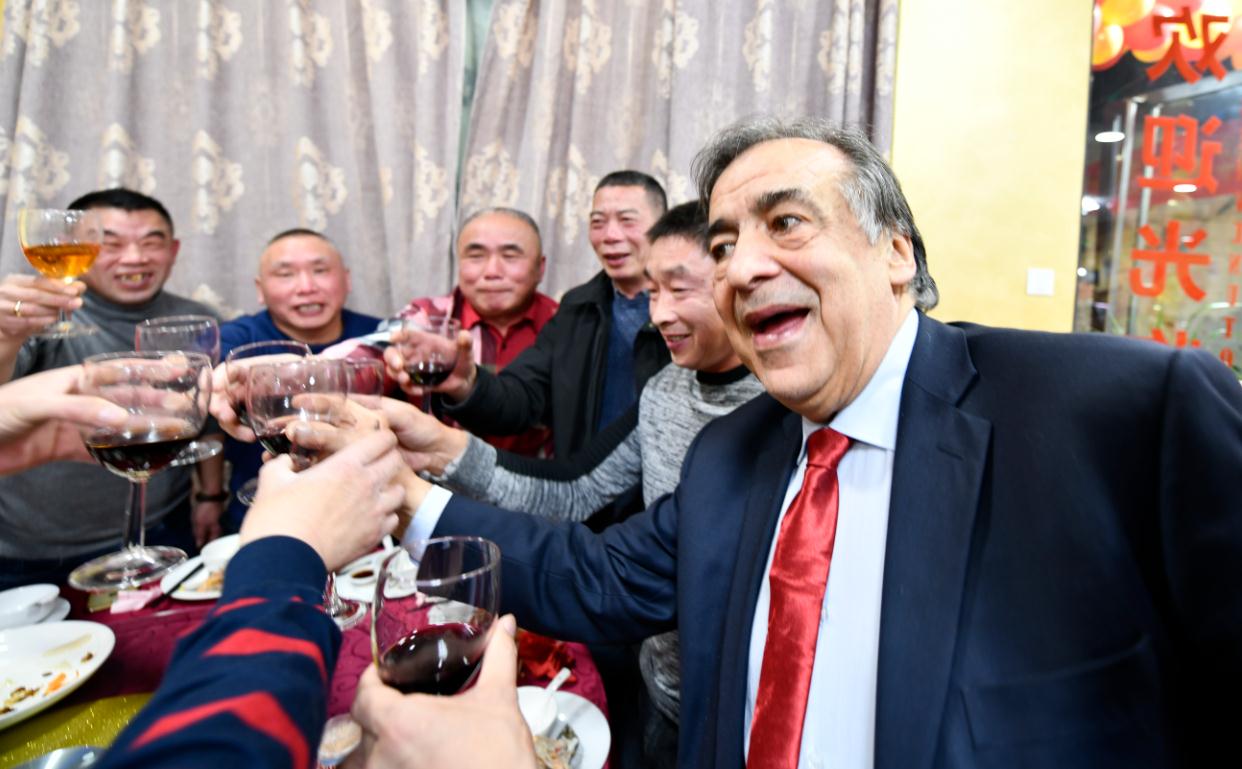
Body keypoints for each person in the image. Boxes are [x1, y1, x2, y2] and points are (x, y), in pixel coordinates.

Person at [370, 116, 1242, 768]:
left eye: (785, 223)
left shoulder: (1120, 412)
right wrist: (403, 495)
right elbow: (594, 575)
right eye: (723, 244)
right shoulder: (730, 455)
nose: (743, 268)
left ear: (897, 252)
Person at [385, 200, 761, 767]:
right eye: (652, 291)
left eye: (680, 289)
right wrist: (443, 448)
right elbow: (576, 488)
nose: (660, 314)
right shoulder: (665, 388)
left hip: (746, 707)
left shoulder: (782, 408)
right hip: (663, 685)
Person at [0, 188, 226, 588]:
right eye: (111, 244)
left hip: (163, 532)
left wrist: (209, 496)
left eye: (151, 242)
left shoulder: (196, 318)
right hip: (34, 550)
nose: (135, 258)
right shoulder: (35, 317)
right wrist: (6, 337)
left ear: (173, 251)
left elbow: (205, 416)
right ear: (77, 248)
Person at [408, 172, 672, 464]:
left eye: (627, 220)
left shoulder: (687, 309)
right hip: (588, 485)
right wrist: (467, 383)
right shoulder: (577, 308)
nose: (610, 236)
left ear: (662, 227)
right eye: (598, 223)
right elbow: (520, 398)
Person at [218, 228, 382, 530]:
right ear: (260, 289)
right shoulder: (239, 339)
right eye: (286, 275)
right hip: (263, 515)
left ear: (347, 280)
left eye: (320, 271)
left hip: (365, 511)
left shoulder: (377, 337)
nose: (306, 287)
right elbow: (208, 373)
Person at [395, 207, 559, 457]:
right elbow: (367, 353)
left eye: (510, 256)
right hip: (438, 473)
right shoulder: (428, 318)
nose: (492, 272)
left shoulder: (564, 324)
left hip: (538, 476)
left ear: (540, 267)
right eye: (476, 256)